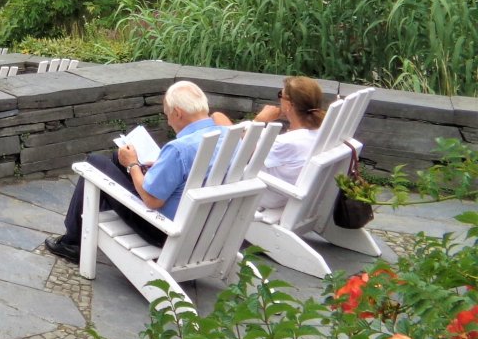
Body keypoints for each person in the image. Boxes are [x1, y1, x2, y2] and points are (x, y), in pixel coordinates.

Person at [45, 80, 223, 263]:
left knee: (96, 163)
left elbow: (152, 200)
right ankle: (93, 220)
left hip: (164, 230)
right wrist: (158, 166)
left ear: (177, 113)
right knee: (116, 159)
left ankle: (72, 243)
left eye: (167, 115)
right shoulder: (228, 137)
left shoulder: (179, 149)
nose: (168, 121)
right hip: (208, 230)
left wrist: (133, 165)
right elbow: (196, 172)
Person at [213, 75, 327, 211]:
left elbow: (246, 149)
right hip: (287, 192)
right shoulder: (320, 132)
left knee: (218, 119)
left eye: (281, 95)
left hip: (269, 195)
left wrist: (259, 120)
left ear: (289, 105)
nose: (279, 99)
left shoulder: (288, 142)